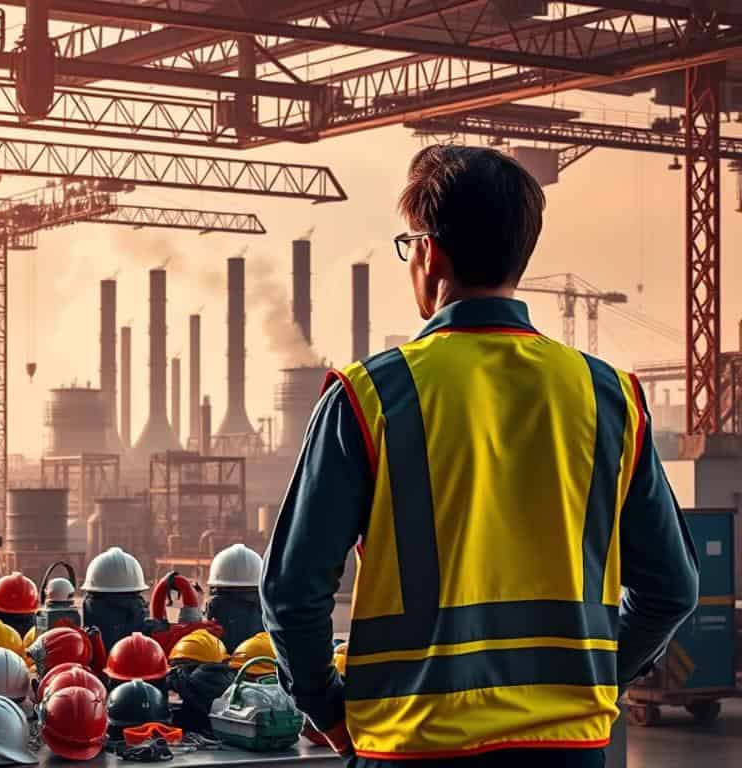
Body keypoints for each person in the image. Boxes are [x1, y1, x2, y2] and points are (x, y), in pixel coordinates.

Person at [261, 145, 699, 767]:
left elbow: (291, 591)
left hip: (412, 746)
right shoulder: (610, 400)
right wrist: (594, 678)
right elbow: (672, 589)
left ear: (428, 251)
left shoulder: (371, 397)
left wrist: (326, 709)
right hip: (566, 750)